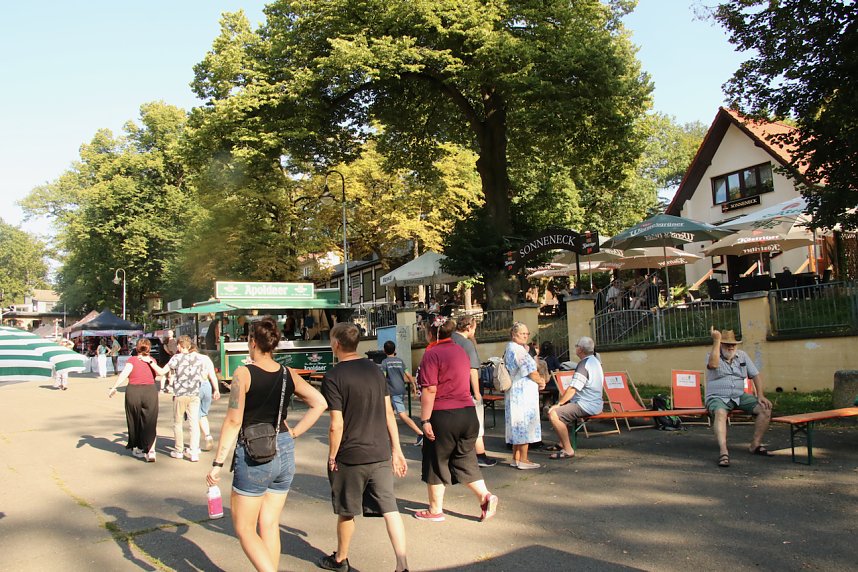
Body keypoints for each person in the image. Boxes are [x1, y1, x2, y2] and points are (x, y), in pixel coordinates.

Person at [207, 317, 326, 572]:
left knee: (244, 528)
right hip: (283, 448)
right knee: (270, 524)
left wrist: (217, 463)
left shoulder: (243, 373)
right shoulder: (288, 374)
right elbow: (320, 402)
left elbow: (232, 421)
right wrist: (294, 432)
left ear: (252, 342)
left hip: (255, 454)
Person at [318, 323, 409, 572]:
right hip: (379, 451)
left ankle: (341, 559)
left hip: (351, 454)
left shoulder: (333, 377)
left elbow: (336, 424)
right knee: (390, 509)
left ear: (336, 344)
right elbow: (389, 413)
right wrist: (396, 450)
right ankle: (402, 565)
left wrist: (332, 455)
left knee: (347, 511)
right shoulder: (375, 370)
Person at [416, 315, 498, 522]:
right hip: (467, 413)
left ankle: (435, 510)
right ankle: (485, 496)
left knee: (436, 459)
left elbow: (430, 389)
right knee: (464, 458)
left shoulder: (432, 354)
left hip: (444, 413)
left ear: (430, 333)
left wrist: (425, 420)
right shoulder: (461, 350)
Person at [706, 327, 773, 468]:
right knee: (720, 413)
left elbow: (755, 374)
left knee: (765, 408)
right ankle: (723, 451)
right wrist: (717, 340)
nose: (731, 347)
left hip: (738, 395)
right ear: (721, 345)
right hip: (717, 396)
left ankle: (755, 445)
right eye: (727, 344)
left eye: (733, 344)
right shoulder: (713, 354)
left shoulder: (742, 356)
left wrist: (760, 395)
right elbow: (713, 365)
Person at [108, 338, 170, 462]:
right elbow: (160, 373)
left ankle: (137, 447)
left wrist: (114, 387)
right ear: (149, 348)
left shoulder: (132, 360)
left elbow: (124, 374)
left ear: (137, 348)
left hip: (134, 391)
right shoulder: (152, 360)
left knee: (134, 419)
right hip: (150, 391)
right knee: (150, 421)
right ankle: (151, 450)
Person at [546, 336, 605, 460]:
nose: (576, 348)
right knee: (565, 411)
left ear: (581, 349)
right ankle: (562, 443)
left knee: (554, 414)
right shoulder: (595, 361)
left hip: (586, 405)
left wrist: (559, 403)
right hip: (596, 403)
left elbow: (573, 388)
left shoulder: (583, 365)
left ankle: (568, 449)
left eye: (577, 346)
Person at [451, 314, 498, 467]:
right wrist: (477, 392)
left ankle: (457, 455)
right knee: (476, 423)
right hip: (469, 388)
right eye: (474, 328)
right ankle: (480, 455)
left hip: (452, 387)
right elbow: (473, 369)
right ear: (469, 327)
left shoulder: (449, 339)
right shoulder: (467, 344)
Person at [504, 322, 546, 469]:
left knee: (516, 424)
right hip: (522, 392)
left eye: (527, 334)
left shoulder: (509, 347)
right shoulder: (519, 350)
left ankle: (516, 458)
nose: (525, 336)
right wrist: (541, 381)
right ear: (514, 335)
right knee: (524, 423)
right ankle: (523, 459)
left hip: (514, 390)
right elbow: (530, 371)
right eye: (522, 333)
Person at [166, 335, 207, 462]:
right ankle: (194, 451)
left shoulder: (176, 358)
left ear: (179, 345)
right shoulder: (198, 358)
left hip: (180, 393)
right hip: (194, 393)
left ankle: (179, 450)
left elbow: (165, 370)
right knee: (193, 423)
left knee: (178, 423)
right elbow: (203, 375)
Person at [380, 340, 424, 445]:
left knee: (403, 416)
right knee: (384, 413)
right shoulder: (400, 361)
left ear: (384, 351)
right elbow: (408, 375)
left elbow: (383, 377)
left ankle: (421, 434)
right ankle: (381, 436)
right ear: (395, 350)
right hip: (401, 391)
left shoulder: (385, 362)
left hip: (393, 392)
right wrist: (414, 387)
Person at [192, 342, 221, 451]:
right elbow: (212, 375)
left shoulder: (188, 359)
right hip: (207, 386)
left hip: (195, 387)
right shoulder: (206, 358)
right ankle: (208, 435)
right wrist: (216, 389)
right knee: (202, 414)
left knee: (194, 415)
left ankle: (195, 444)